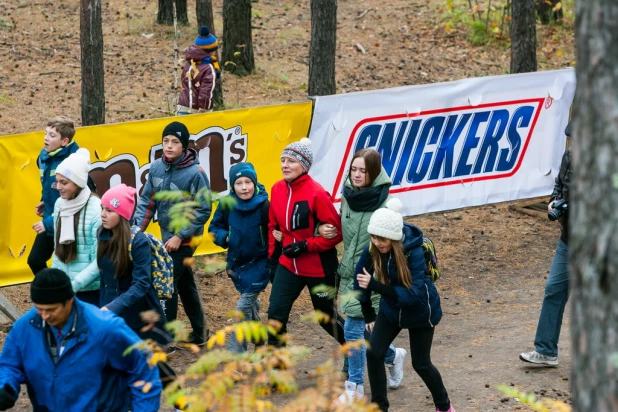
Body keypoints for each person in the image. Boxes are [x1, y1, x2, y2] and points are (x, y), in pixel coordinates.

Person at [0, 268, 161, 411]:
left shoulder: (104, 328)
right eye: (39, 308)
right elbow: (9, 364)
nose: (44, 316)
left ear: (70, 300)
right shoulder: (26, 327)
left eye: (51, 310)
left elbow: (144, 365)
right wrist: (5, 386)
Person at [321, 149, 407, 404]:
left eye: (363, 171)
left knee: (352, 328)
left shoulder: (386, 203)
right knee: (361, 330)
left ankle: (354, 387)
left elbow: (394, 242)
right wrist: (323, 229)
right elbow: (342, 228)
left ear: (374, 173)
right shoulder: (347, 196)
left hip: (373, 273)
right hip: (349, 270)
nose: (357, 175)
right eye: (354, 170)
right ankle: (393, 356)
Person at [354, 198, 455, 412]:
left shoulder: (413, 252)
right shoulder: (373, 247)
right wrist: (368, 313)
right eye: (373, 237)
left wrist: (375, 285)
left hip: (420, 310)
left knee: (421, 364)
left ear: (394, 238)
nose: (377, 242)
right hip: (391, 309)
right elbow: (359, 277)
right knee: (373, 352)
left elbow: (413, 295)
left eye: (382, 239)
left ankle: (444, 406)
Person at [98, 184, 182, 407]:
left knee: (156, 364)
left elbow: (142, 284)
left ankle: (182, 403)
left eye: (110, 210)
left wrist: (114, 306)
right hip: (113, 313)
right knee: (115, 363)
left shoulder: (138, 241)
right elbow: (105, 279)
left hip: (141, 315)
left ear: (123, 214)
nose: (103, 215)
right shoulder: (102, 234)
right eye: (102, 209)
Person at [134, 121, 211, 346]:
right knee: (185, 284)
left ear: (184, 146)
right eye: (166, 141)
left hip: (187, 237)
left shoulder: (195, 173)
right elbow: (148, 200)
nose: (169, 146)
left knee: (166, 282)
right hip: (167, 237)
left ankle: (164, 341)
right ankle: (200, 334)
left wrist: (180, 236)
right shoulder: (157, 168)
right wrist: (138, 228)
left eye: (175, 142)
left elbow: (203, 208)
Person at [266, 138, 345, 347]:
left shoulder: (317, 193)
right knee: (275, 317)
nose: (284, 165)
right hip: (288, 266)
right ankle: (277, 371)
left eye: (291, 161)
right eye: (282, 160)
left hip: (318, 267)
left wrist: (306, 245)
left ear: (304, 165)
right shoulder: (276, 189)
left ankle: (366, 354)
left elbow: (337, 233)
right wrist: (273, 260)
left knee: (326, 319)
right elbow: (272, 227)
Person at [520, 123, 572, 366]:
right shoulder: (570, 156)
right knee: (554, 289)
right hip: (568, 239)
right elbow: (559, 185)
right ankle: (546, 350)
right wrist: (554, 202)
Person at [208, 162, 270, 353]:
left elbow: (274, 231)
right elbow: (214, 227)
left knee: (242, 309)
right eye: (239, 183)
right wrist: (224, 237)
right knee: (250, 308)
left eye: (248, 182)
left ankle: (236, 355)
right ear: (232, 186)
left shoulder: (264, 205)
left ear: (255, 182)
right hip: (238, 266)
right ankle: (260, 340)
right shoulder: (226, 204)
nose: (244, 187)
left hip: (260, 264)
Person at [28, 116, 80, 276]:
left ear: (64, 142)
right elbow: (49, 185)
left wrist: (49, 223)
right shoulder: (43, 157)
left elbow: (75, 202)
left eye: (52, 135)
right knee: (35, 260)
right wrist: (45, 200)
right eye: (46, 133)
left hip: (68, 223)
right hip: (51, 215)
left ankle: (63, 295)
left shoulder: (73, 163)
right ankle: (52, 291)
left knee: (67, 267)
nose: (46, 138)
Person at [52, 148, 101, 306]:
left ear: (78, 182)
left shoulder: (96, 209)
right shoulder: (60, 204)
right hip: (66, 287)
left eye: (64, 182)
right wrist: (56, 281)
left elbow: (99, 260)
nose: (58, 187)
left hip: (91, 291)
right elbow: (57, 247)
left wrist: (75, 285)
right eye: (57, 181)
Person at [177, 26, 220, 115]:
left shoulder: (189, 63)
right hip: (198, 111)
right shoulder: (208, 68)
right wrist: (204, 108)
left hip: (183, 107)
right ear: (211, 51)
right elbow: (206, 91)